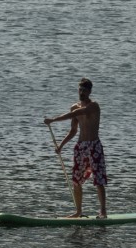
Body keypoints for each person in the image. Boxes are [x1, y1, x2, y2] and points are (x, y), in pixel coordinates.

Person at [44, 78, 108, 218]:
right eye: (80, 90)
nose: (82, 92)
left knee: (98, 179)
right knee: (76, 180)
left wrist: (53, 120)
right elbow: (73, 131)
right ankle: (78, 211)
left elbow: (75, 114)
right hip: (81, 147)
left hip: (94, 146)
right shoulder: (74, 106)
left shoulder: (94, 106)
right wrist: (61, 145)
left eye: (84, 90)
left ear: (90, 91)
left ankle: (103, 211)